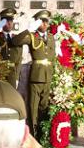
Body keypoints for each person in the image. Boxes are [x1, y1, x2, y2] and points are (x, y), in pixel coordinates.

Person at [12, 10, 56, 140]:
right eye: (42, 21)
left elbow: (52, 58)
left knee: (44, 106)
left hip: (47, 76)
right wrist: (29, 29)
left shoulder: (52, 37)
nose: (45, 23)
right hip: (36, 76)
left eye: (46, 21)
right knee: (33, 107)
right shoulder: (32, 36)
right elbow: (15, 41)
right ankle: (32, 134)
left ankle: (42, 134)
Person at [0, 7, 23, 88]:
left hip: (12, 75)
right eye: (6, 21)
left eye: (11, 21)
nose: (9, 23)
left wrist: (16, 78)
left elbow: (19, 60)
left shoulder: (17, 39)